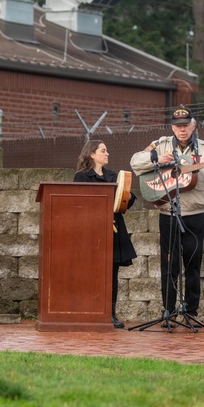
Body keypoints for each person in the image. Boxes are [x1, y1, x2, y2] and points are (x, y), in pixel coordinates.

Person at [130, 106, 204, 321]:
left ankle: (191, 311)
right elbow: (135, 161)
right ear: (172, 127)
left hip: (195, 214)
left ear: (193, 126)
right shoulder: (160, 144)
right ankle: (168, 311)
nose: (182, 130)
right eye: (178, 126)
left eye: (186, 126)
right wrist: (156, 160)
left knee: (193, 264)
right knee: (169, 265)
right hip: (168, 213)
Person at [74, 140, 137, 329]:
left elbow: (126, 202)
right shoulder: (82, 177)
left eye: (107, 150)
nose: (107, 153)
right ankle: (90, 311)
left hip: (114, 230)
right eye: (103, 150)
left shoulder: (113, 176)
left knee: (112, 274)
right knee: (91, 273)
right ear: (92, 154)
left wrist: (127, 195)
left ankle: (110, 314)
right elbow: (80, 203)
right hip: (92, 231)